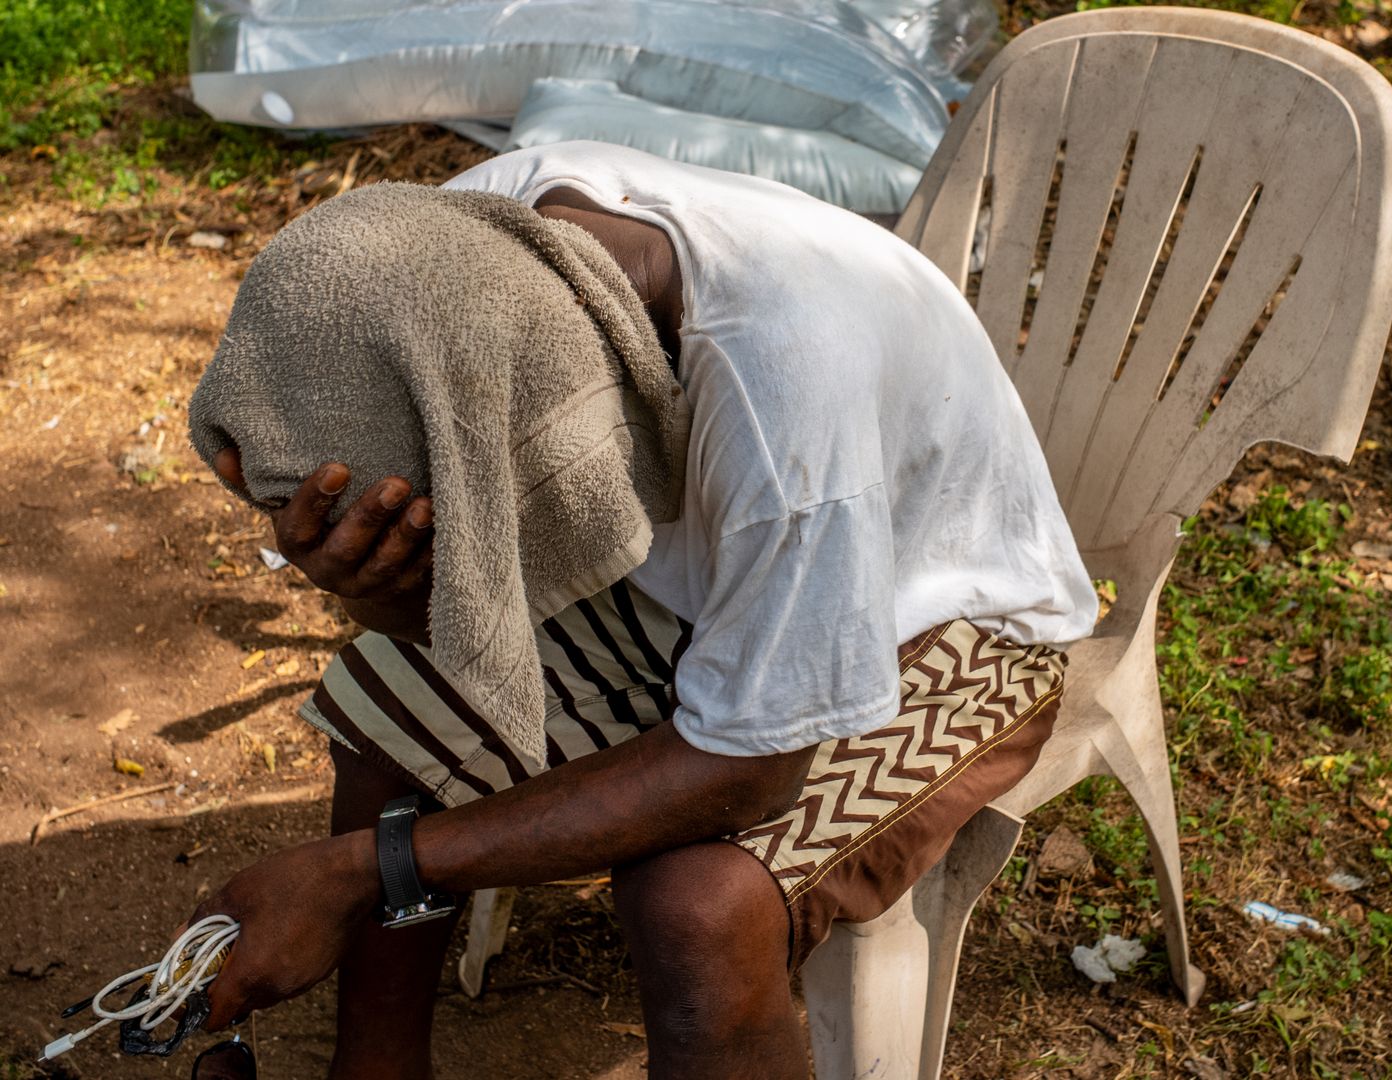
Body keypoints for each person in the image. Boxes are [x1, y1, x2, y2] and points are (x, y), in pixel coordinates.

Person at [181, 140, 1097, 1080]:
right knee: (393, 711)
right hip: (702, 591)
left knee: (699, 906)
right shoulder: (447, 252)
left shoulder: (783, 404)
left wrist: (369, 869)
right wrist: (372, 593)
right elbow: (450, 611)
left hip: (939, 615)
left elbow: (748, 771)